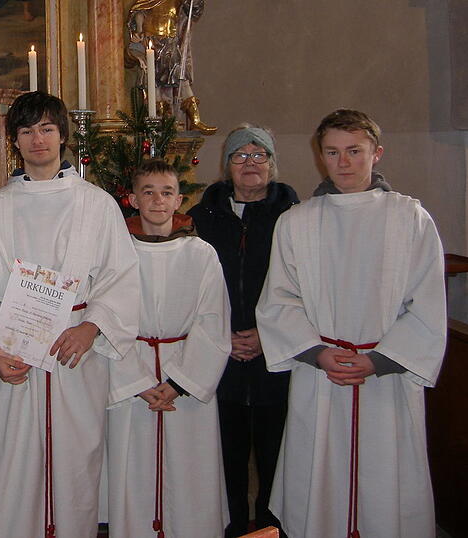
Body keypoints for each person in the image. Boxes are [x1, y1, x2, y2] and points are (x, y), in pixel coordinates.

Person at [0, 91, 146, 538]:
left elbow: (120, 276)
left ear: (63, 135)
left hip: (76, 351)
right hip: (15, 351)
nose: (37, 139)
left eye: (46, 128)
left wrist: (91, 326)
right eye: (26, 131)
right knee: (15, 463)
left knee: (75, 462)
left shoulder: (96, 204)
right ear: (14, 142)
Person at [256, 109, 447, 538]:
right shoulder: (297, 221)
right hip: (321, 372)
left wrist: (379, 360)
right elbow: (279, 301)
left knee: (386, 485)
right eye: (332, 152)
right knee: (319, 484)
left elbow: (428, 303)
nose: (343, 162)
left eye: (354, 151)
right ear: (320, 156)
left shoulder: (409, 218)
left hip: (386, 379)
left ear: (376, 154)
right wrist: (318, 352)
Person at [104, 159, 230, 538]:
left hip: (185, 377)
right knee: (134, 471)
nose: (157, 200)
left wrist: (179, 382)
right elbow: (103, 319)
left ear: (179, 200)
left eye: (167, 192)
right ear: (132, 199)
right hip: (131, 372)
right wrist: (138, 382)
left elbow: (213, 323)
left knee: (189, 472)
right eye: (148, 192)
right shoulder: (115, 253)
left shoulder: (201, 254)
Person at [187, 124, 298, 536]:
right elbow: (191, 286)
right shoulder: (201, 218)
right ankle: (232, 528)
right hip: (222, 356)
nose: (250, 164)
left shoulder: (295, 217)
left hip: (278, 356)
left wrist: (265, 335)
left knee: (277, 454)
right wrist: (225, 336)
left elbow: (303, 288)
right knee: (225, 455)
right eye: (240, 156)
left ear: (271, 163)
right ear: (227, 165)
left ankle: (273, 528)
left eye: (259, 155)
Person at [127, 0, 216, 133]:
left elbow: (193, 10)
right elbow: (139, 11)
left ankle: (195, 119)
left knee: (182, 78)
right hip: (151, 44)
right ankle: (159, 121)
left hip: (170, 43)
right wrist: (139, 31)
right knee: (154, 84)